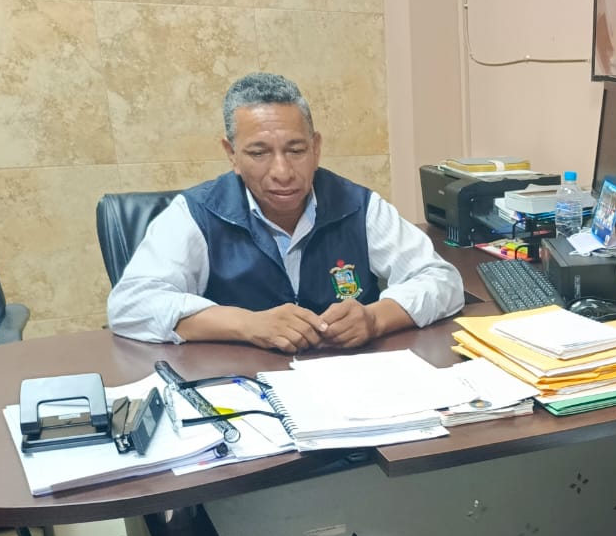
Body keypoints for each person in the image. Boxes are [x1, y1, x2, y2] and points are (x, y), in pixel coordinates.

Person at [107, 72, 464, 352]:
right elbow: (130, 305)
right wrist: (247, 324)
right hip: (241, 389)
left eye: (296, 150)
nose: (282, 171)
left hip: (347, 383)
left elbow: (442, 280)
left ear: (316, 148)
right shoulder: (196, 213)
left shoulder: (356, 205)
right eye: (259, 153)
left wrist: (374, 319)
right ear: (232, 155)